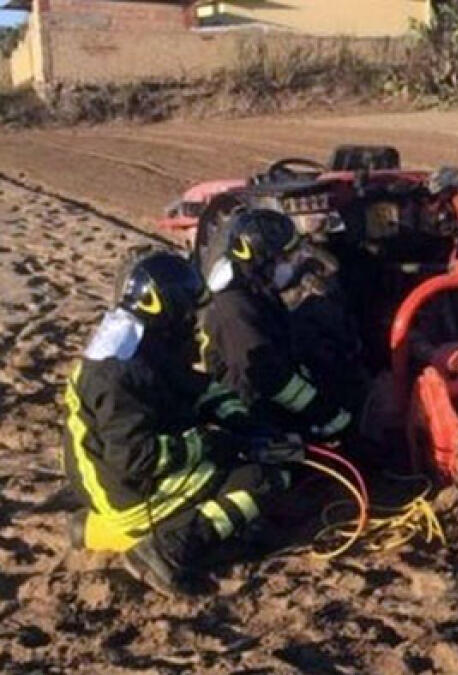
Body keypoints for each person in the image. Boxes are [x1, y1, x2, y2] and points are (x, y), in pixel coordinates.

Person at [63, 248, 300, 595]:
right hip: (125, 487)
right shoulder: (119, 372)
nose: (194, 320)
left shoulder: (138, 341)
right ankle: (165, 551)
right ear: (164, 306)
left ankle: (94, 530)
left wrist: (240, 419)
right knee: (262, 479)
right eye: (189, 310)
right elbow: (136, 459)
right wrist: (215, 444)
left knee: (240, 461)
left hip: (107, 478)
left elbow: (194, 388)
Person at [201, 209, 354, 441]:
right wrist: (324, 412)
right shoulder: (234, 309)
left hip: (271, 395)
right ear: (261, 258)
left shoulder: (253, 288)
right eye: (283, 258)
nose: (290, 264)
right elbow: (269, 376)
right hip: (251, 410)